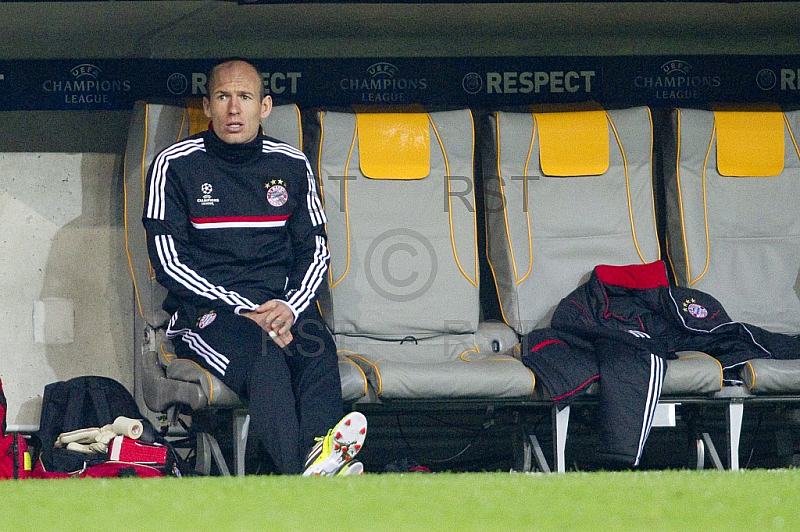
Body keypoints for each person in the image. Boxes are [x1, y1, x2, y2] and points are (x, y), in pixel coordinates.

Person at [142, 58, 365, 475]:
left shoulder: (292, 165)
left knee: (318, 351)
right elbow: (168, 262)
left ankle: (318, 466)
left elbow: (316, 250)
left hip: (281, 308)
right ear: (207, 106)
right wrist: (245, 309)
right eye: (223, 97)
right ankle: (302, 479)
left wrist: (291, 308)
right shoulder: (173, 165)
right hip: (209, 313)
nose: (233, 109)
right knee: (266, 362)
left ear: (264, 106)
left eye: (244, 97)